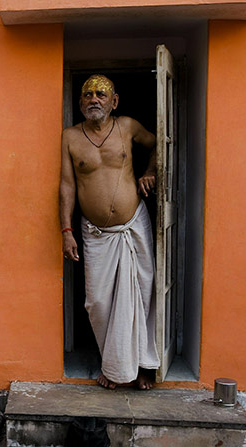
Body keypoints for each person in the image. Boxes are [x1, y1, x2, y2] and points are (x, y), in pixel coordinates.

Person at [59, 74, 159, 390]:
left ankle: (144, 367)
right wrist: (66, 229)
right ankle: (114, 364)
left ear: (113, 101)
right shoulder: (70, 137)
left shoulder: (127, 126)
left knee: (143, 294)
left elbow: (159, 142)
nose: (94, 99)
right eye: (87, 94)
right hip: (95, 232)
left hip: (133, 226)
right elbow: (67, 185)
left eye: (101, 94)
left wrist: (150, 172)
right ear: (79, 102)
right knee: (98, 302)